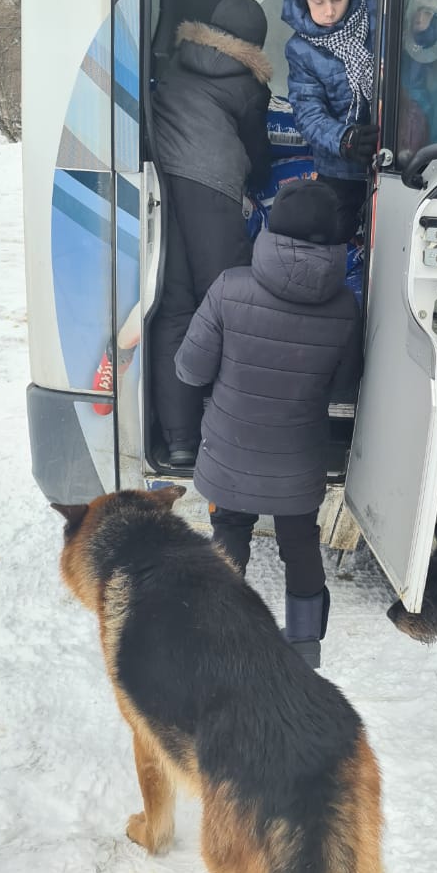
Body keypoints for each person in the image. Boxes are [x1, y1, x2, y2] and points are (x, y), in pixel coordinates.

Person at [174, 179, 363, 667]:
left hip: (229, 454)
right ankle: (304, 650)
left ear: (272, 228)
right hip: (297, 463)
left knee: (229, 534)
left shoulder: (229, 288)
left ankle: (219, 641)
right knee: (299, 545)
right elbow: (345, 388)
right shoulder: (345, 308)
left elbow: (189, 370)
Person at [150, 0, 272, 466]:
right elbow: (258, 158)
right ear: (255, 43)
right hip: (213, 191)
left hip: (161, 188)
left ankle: (180, 440)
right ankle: (235, 439)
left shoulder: (179, 62)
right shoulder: (249, 84)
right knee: (231, 308)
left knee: (175, 312)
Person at [281, 0, 379, 244]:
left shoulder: (381, 19)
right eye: (318, 2)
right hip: (339, 170)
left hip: (391, 161)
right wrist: (345, 139)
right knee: (331, 245)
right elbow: (308, 113)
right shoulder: (300, 49)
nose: (329, 11)